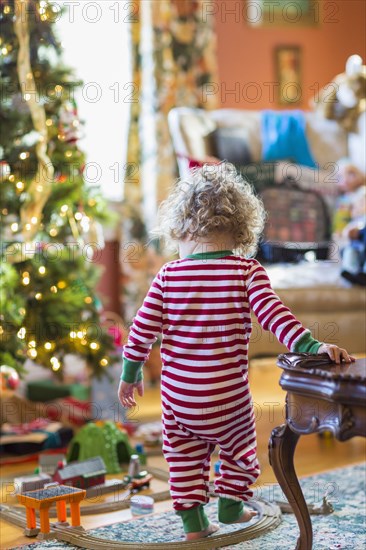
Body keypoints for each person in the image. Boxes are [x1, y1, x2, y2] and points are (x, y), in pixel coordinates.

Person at [118, 162, 354, 541]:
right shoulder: (247, 271)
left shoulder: (167, 276)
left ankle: (194, 527)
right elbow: (277, 318)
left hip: (178, 399)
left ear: (182, 227)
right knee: (240, 445)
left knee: (181, 456)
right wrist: (313, 346)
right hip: (226, 399)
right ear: (242, 227)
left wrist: (129, 376)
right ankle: (230, 504)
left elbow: (142, 331)